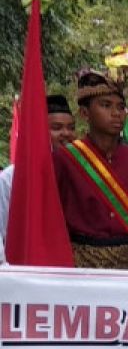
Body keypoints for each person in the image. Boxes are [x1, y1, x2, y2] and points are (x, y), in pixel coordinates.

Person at [52, 71, 128, 270]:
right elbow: (53, 222)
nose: (117, 113)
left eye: (121, 107)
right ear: (85, 113)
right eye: (106, 105)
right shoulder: (65, 160)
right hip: (81, 268)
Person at [0, 94, 78, 263]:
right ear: (40, 131)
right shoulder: (12, 177)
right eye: (57, 127)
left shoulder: (81, 172)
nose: (66, 134)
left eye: (71, 128)